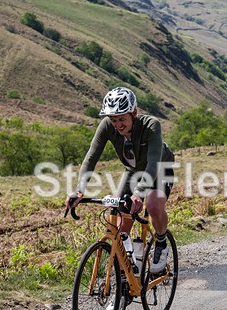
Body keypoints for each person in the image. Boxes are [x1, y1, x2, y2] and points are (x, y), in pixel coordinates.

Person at [67, 87, 175, 274]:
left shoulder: (151, 125)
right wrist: (79, 190)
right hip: (133, 170)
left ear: (133, 113)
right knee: (119, 227)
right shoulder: (107, 126)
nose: (118, 125)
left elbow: (153, 164)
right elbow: (91, 158)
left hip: (159, 167)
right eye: (113, 120)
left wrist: (139, 194)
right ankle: (125, 278)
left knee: (153, 205)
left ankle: (161, 243)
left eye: (121, 119)